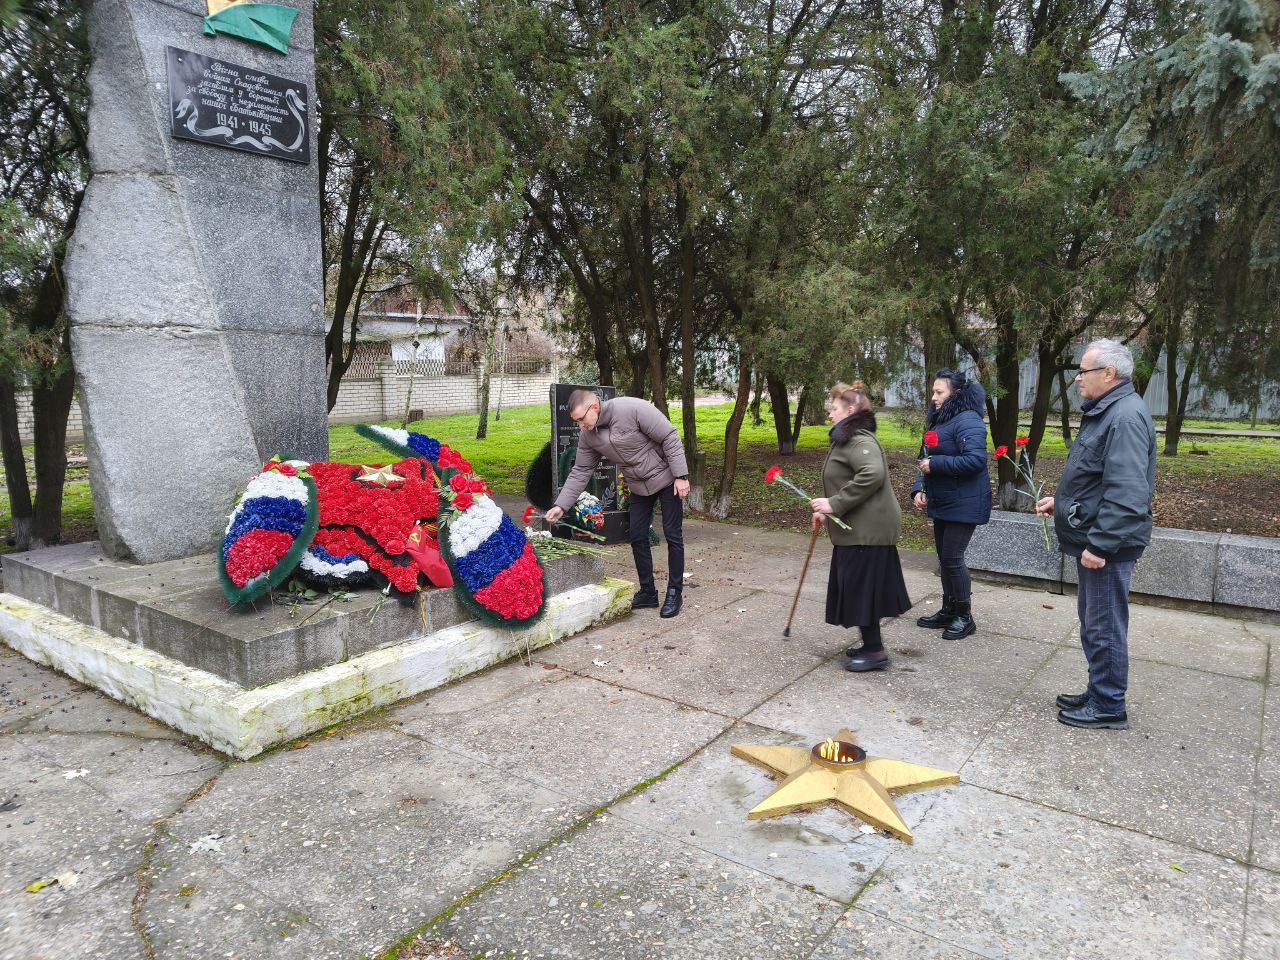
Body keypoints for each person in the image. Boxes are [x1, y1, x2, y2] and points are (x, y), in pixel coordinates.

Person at [1036, 338, 1156, 730]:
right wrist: (1064, 500)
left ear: (1109, 373)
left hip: (1107, 545)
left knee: (1103, 626)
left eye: (1083, 371)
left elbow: (1128, 493)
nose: (1077, 379)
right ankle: (1099, 689)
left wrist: (1101, 544)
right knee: (1095, 623)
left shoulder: (1123, 417)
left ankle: (1108, 705)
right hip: (1098, 537)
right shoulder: (1110, 412)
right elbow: (1099, 480)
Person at [545, 390, 690, 618]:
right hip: (638, 485)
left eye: (582, 419)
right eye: (576, 422)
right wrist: (561, 505)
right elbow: (581, 471)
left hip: (666, 478)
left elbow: (669, 436)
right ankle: (648, 591)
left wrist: (681, 475)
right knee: (637, 535)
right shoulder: (589, 435)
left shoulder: (631, 408)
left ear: (594, 406)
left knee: (673, 534)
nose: (580, 426)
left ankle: (674, 592)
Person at [810, 382, 912, 672]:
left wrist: (835, 505)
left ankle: (876, 651)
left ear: (850, 410)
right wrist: (829, 509)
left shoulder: (859, 440)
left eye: (834, 408)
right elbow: (848, 481)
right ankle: (871, 645)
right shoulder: (850, 439)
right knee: (860, 589)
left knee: (863, 589)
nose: (830, 414)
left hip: (867, 532)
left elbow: (873, 473)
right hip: (859, 528)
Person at [910, 369, 992, 639]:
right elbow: (925, 457)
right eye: (933, 392)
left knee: (953, 559)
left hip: (965, 502)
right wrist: (919, 488)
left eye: (939, 392)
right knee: (945, 559)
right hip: (945, 500)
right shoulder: (940, 420)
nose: (934, 397)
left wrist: (935, 465)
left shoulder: (968, 420)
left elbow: (975, 460)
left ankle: (964, 616)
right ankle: (949, 609)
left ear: (956, 393)